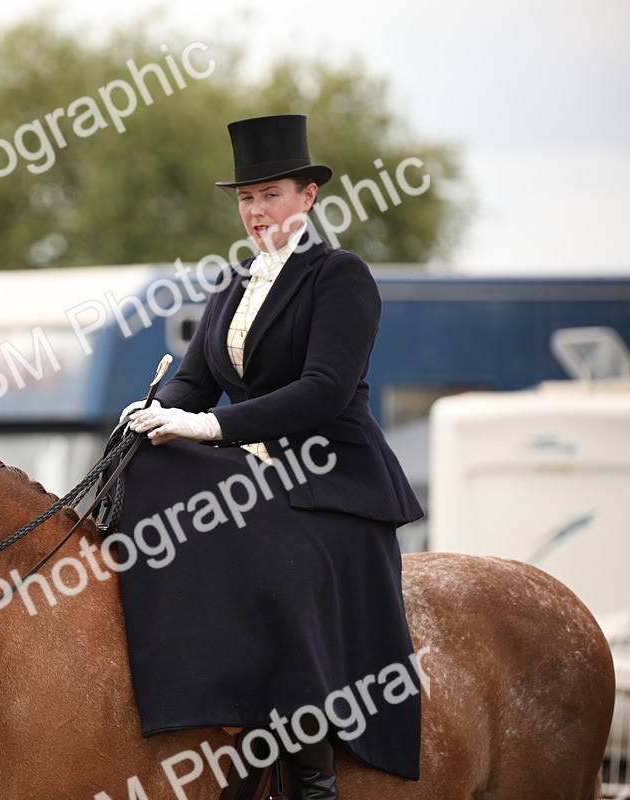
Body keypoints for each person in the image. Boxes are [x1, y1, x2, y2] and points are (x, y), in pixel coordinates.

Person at [121, 114, 423, 799]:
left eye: (271, 195)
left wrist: (207, 428)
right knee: (151, 468)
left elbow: (323, 391)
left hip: (332, 479)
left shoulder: (341, 277)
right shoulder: (233, 284)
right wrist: (153, 411)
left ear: (308, 198)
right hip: (255, 474)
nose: (257, 212)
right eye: (247, 199)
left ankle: (313, 774)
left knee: (276, 567)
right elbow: (191, 381)